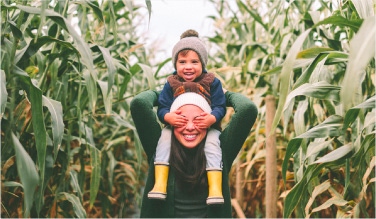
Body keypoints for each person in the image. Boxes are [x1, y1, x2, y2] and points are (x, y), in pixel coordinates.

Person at [130, 89, 258, 217]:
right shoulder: (158, 147)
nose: (190, 127)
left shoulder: (220, 150)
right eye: (181, 120)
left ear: (209, 122)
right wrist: (168, 92)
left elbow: (247, 109)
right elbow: (139, 104)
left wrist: (222, 94)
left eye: (198, 120)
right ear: (171, 121)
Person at [150, 29, 227, 205]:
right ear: (175, 64)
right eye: (182, 62)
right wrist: (167, 117)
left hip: (207, 128)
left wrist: (212, 118)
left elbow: (220, 106)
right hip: (176, 127)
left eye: (194, 61)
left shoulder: (212, 82)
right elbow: (162, 107)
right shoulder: (171, 83)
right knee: (164, 139)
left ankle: (215, 187)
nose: (188, 67)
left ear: (203, 63)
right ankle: (160, 183)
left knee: (213, 144)